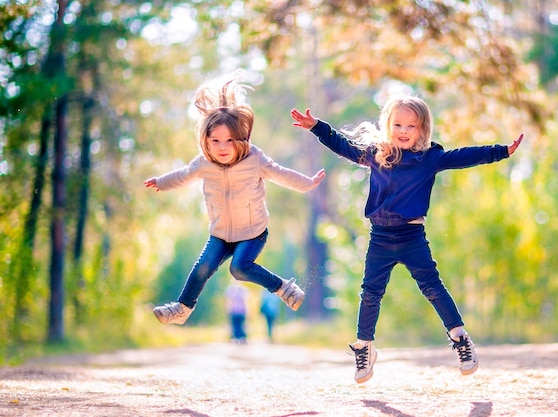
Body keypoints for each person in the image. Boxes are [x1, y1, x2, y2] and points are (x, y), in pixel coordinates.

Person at [291, 95, 523, 384]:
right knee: (370, 294)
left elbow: (464, 156)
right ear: (388, 125)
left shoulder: (430, 159)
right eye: (397, 124)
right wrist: (317, 127)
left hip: (411, 236)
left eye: (410, 126)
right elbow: (342, 144)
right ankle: (364, 348)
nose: (403, 130)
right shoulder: (376, 154)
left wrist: (501, 151)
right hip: (380, 238)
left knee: (433, 287)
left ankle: (461, 340)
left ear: (422, 129)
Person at [146, 72, 326, 326]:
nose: (222, 146)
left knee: (239, 268)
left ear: (239, 139)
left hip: (252, 232)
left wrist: (307, 183)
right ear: (206, 141)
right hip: (220, 233)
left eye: (229, 140)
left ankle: (284, 288)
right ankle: (182, 309)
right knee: (203, 268)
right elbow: (184, 175)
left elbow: (280, 173)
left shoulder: (254, 159)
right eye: (215, 140)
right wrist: (161, 182)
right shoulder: (204, 164)